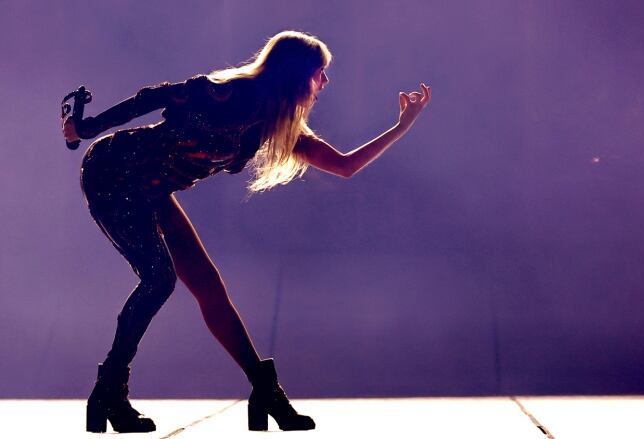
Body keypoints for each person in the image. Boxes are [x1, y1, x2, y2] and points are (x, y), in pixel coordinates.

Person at [62, 30, 431, 433]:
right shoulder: (229, 93)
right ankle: (109, 393)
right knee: (158, 280)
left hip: (151, 186)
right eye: (320, 72)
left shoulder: (275, 126)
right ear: (297, 74)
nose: (325, 82)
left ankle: (265, 392)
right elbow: (155, 97)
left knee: (208, 287)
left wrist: (402, 126)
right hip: (113, 171)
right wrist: (86, 127)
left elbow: (343, 165)